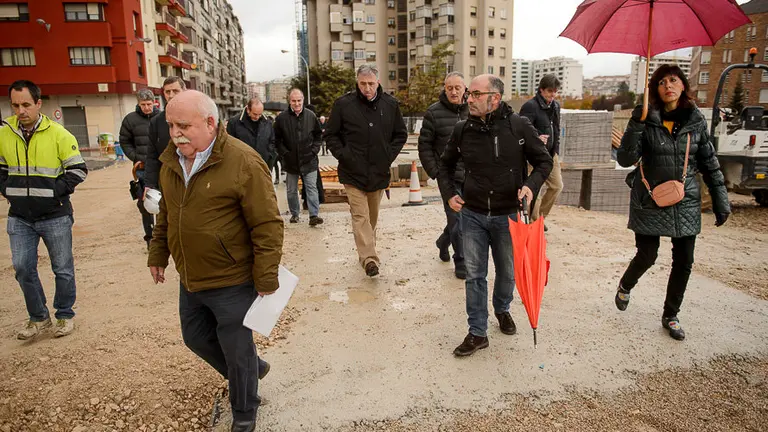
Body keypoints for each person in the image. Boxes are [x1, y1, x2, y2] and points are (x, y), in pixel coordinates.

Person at [147, 90, 283, 432]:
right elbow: (166, 213)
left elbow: (267, 224)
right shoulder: (170, 162)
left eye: (183, 125)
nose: (176, 134)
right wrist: (158, 252)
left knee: (237, 350)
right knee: (195, 337)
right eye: (170, 125)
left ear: (210, 123)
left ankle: (245, 411)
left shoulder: (244, 162)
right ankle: (251, 371)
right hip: (191, 277)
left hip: (232, 278)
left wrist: (266, 279)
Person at [439, 75, 553, 357]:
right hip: (473, 214)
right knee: (475, 275)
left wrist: (530, 186)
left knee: (507, 272)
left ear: (494, 98)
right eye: (470, 94)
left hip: (507, 216)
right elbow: (444, 166)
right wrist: (450, 193)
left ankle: (502, 309)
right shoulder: (462, 130)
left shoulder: (518, 126)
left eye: (475, 94)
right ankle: (478, 332)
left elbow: (543, 161)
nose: (469, 98)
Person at [615, 64, 730, 341]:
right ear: (655, 89)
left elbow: (709, 164)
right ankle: (625, 285)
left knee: (684, 261)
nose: (668, 85)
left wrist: (721, 200)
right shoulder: (646, 118)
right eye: (662, 82)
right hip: (650, 197)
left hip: (685, 199)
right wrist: (636, 123)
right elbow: (625, 159)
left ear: (682, 86)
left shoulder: (696, 121)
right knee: (648, 255)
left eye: (674, 80)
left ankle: (671, 315)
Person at [0, 80, 88, 340]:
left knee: (62, 268)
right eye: (15, 105)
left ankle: (64, 315)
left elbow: (78, 170)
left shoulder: (59, 134)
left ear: (38, 103)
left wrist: (54, 193)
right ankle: (38, 317)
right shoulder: (4, 133)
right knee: (22, 268)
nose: (20, 111)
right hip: (19, 217)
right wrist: (8, 190)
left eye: (26, 104)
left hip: (55, 215)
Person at [324, 64, 408, 277]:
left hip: (378, 173)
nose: (367, 88)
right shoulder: (343, 105)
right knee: (360, 216)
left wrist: (388, 156)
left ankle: (366, 249)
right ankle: (369, 259)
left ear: (378, 82)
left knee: (371, 218)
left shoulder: (390, 104)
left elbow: (400, 134)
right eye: (363, 84)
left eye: (371, 83)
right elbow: (331, 135)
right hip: (352, 173)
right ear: (357, 82)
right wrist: (344, 155)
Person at [418, 71, 469, 279]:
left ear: (465, 89)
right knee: (457, 220)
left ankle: (443, 241)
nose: (454, 92)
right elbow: (424, 146)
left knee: (465, 218)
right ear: (444, 88)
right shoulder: (433, 112)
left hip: (472, 175)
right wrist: (436, 172)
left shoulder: (473, 110)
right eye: (450, 88)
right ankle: (462, 261)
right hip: (448, 176)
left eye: (458, 87)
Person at [520, 74, 563, 232]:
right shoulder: (530, 106)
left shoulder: (555, 106)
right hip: (533, 155)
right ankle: (534, 222)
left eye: (555, 91)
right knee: (534, 190)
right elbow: (521, 130)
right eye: (550, 91)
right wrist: (536, 137)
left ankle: (540, 217)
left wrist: (555, 149)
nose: (553, 95)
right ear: (541, 90)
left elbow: (556, 130)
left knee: (557, 186)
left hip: (551, 154)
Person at [274, 89, 324, 226]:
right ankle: (295, 214)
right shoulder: (281, 118)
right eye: (294, 101)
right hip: (291, 162)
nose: (296, 103)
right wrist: (284, 153)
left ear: (303, 100)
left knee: (311, 188)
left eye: (299, 100)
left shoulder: (311, 116)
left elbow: (318, 136)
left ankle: (314, 215)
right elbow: (276, 139)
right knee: (291, 190)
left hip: (309, 160)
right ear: (289, 101)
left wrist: (314, 150)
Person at [119, 88, 160, 248]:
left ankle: (165, 237)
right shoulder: (130, 120)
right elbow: (124, 141)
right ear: (138, 104)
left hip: (161, 166)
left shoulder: (162, 117)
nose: (147, 107)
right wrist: (135, 157)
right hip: (142, 168)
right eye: (143, 104)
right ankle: (150, 238)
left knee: (164, 202)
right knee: (145, 204)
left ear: (154, 102)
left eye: (149, 104)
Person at [146, 76, 186, 191]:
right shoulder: (156, 122)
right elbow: (152, 156)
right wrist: (150, 184)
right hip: (167, 182)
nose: (171, 95)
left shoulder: (197, 116)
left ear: (184, 91)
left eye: (175, 91)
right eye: (168, 92)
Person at [226, 96, 277, 168]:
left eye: (260, 114)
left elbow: (272, 141)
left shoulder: (268, 122)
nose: (257, 117)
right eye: (255, 114)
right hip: (242, 167)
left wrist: (270, 156)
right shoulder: (234, 123)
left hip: (263, 166)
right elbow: (229, 145)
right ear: (248, 110)